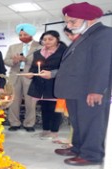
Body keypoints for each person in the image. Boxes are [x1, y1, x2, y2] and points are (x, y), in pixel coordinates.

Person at [54, 2, 112, 166]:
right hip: (76, 89)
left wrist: (96, 90)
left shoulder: (104, 34)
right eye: (67, 22)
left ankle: (92, 154)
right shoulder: (85, 35)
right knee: (78, 121)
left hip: (90, 89)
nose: (69, 25)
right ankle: (78, 148)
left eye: (73, 21)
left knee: (91, 123)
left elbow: (103, 64)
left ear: (90, 19)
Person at [26, 30, 67, 140]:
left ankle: (54, 132)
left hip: (55, 84)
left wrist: (52, 74)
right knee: (44, 108)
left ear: (57, 39)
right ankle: (45, 130)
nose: (47, 41)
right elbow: (34, 68)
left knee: (55, 109)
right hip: (41, 85)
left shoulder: (65, 51)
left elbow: (67, 70)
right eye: (44, 39)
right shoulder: (38, 53)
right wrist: (30, 73)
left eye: (50, 39)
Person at [4, 23, 41, 132]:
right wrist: (14, 61)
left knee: (30, 102)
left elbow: (42, 63)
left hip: (30, 76)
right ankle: (14, 123)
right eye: (20, 35)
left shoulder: (39, 46)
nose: (22, 37)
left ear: (31, 34)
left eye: (25, 34)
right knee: (13, 101)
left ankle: (29, 124)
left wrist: (26, 60)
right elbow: (6, 61)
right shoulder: (13, 47)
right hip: (14, 76)